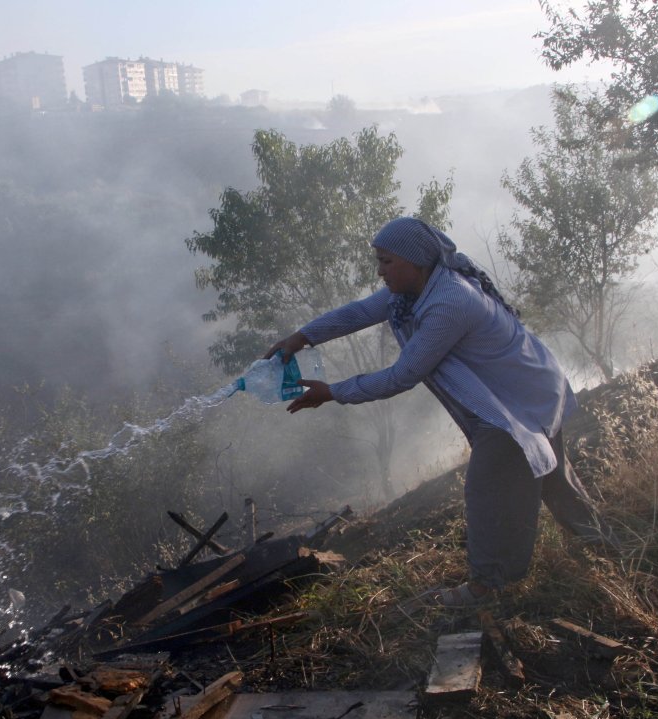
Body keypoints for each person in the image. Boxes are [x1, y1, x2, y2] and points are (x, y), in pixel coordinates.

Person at [265, 216, 618, 607]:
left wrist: (333, 392)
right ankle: (604, 545)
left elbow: (404, 374)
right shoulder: (411, 292)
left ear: (416, 262)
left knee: (487, 486)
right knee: (549, 473)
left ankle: (486, 587)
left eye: (387, 262)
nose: (380, 271)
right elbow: (357, 313)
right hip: (530, 385)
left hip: (516, 402)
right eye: (379, 261)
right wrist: (301, 337)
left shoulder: (448, 302)